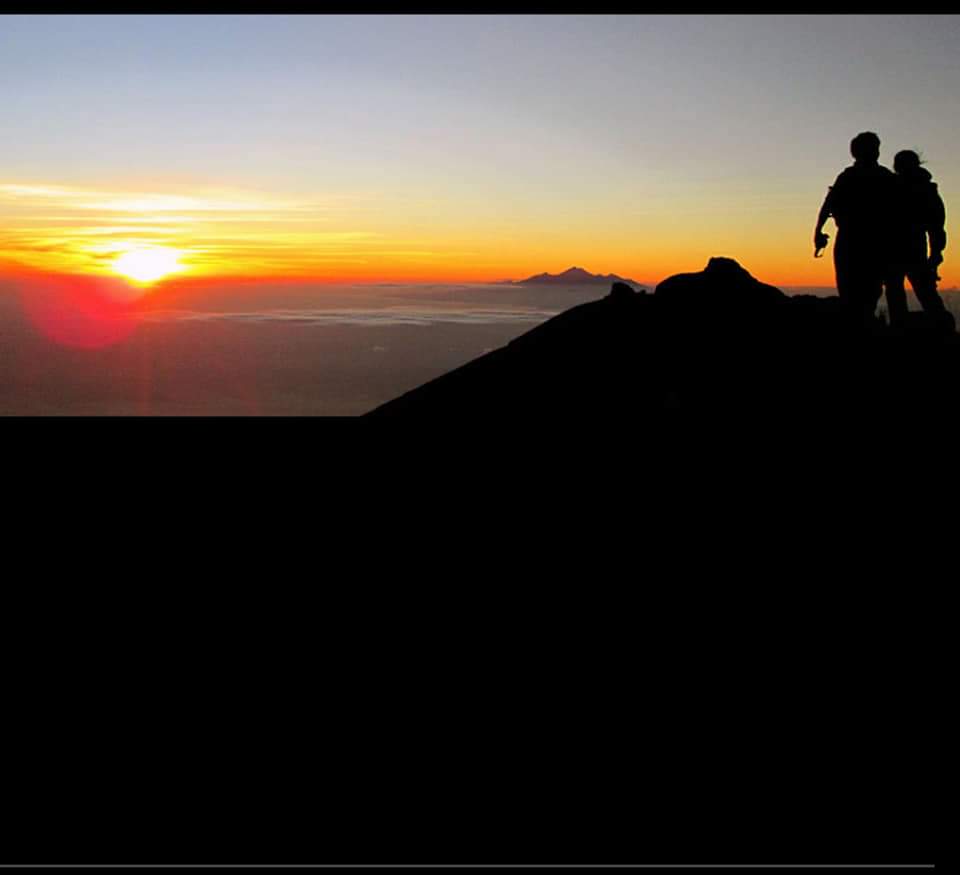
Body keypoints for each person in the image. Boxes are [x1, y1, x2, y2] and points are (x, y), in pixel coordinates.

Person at [814, 132, 899, 326]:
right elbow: (828, 206)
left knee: (861, 288)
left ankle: (860, 324)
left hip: (866, 241)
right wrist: (818, 231)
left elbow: (828, 206)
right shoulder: (879, 177)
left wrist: (818, 232)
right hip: (863, 240)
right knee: (858, 288)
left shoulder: (855, 177)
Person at [884, 149, 951, 330]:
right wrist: (936, 253)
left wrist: (936, 253)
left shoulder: (898, 188)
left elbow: (935, 226)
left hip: (902, 249)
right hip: (908, 248)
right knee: (917, 290)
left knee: (904, 290)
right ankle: (939, 328)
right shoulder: (925, 190)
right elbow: (936, 226)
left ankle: (933, 327)